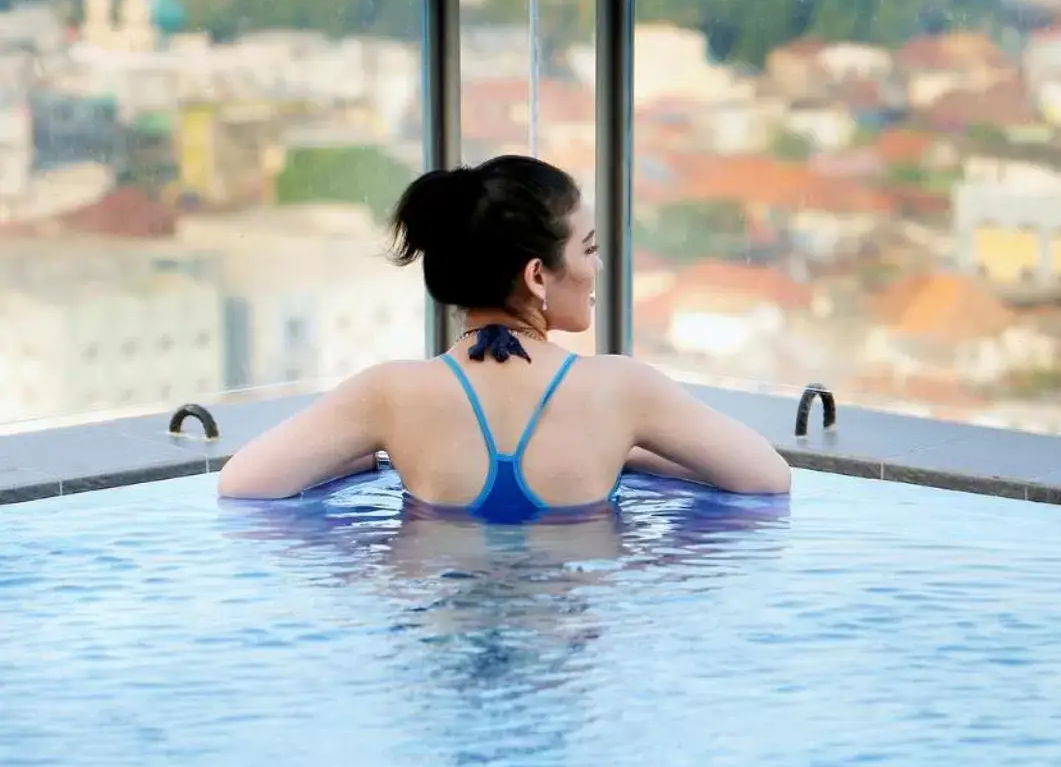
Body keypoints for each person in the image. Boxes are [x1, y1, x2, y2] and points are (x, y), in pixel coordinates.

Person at [217, 154, 791, 519]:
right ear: (537, 276)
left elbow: (244, 484)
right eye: (588, 249)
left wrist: (369, 455)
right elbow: (766, 479)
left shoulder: (391, 396)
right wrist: (633, 451)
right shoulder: (621, 392)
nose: (598, 266)